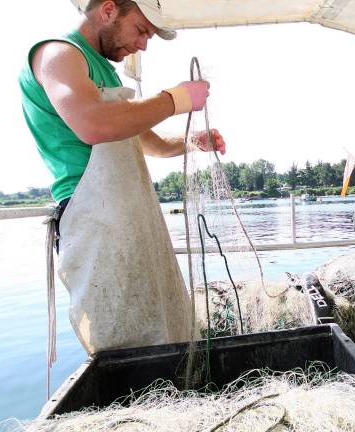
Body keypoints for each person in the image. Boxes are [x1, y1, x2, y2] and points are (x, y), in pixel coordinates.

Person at [20, 0, 226, 354]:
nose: (143, 44)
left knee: (158, 331)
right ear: (109, 9)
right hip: (92, 219)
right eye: (142, 30)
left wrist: (194, 142)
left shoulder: (107, 72)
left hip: (129, 218)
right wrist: (175, 99)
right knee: (121, 340)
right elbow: (94, 123)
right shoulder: (58, 54)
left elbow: (151, 142)